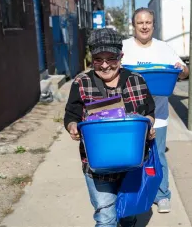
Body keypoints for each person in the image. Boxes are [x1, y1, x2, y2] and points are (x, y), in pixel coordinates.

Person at [64, 28, 156, 227]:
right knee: (106, 217)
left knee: (127, 213)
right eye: (98, 59)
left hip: (133, 166)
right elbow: (71, 115)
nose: (105, 65)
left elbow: (149, 112)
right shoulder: (82, 83)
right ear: (92, 59)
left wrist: (148, 124)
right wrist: (73, 127)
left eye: (111, 58)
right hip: (97, 168)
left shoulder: (136, 81)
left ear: (120, 56)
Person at [122, 7, 189, 213]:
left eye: (148, 22)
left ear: (153, 24)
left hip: (158, 116)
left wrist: (181, 69)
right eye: (140, 23)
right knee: (130, 156)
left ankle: (162, 195)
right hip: (129, 114)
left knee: (158, 154)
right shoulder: (123, 47)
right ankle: (130, 193)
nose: (144, 26)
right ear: (133, 25)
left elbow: (185, 72)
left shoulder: (164, 48)